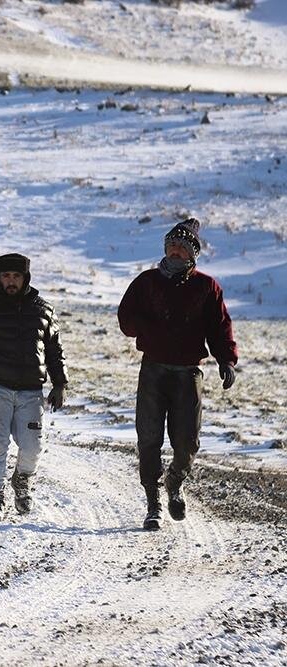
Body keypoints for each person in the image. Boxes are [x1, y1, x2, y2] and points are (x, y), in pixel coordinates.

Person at [117, 218, 238, 531]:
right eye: (171, 245)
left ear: (192, 254)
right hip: (153, 370)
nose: (174, 251)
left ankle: (174, 481)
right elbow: (126, 319)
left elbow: (219, 326)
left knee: (187, 442)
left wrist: (226, 359)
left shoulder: (206, 287)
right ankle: (153, 503)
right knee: (149, 438)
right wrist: (143, 325)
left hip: (188, 374)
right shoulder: (146, 282)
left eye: (181, 247)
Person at [0, 253, 67, 522]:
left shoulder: (43, 309)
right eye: (6, 276)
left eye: (16, 276)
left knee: (32, 447)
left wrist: (60, 383)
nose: (11, 281)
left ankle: (22, 479)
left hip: (31, 390)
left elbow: (54, 350)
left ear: (25, 278)